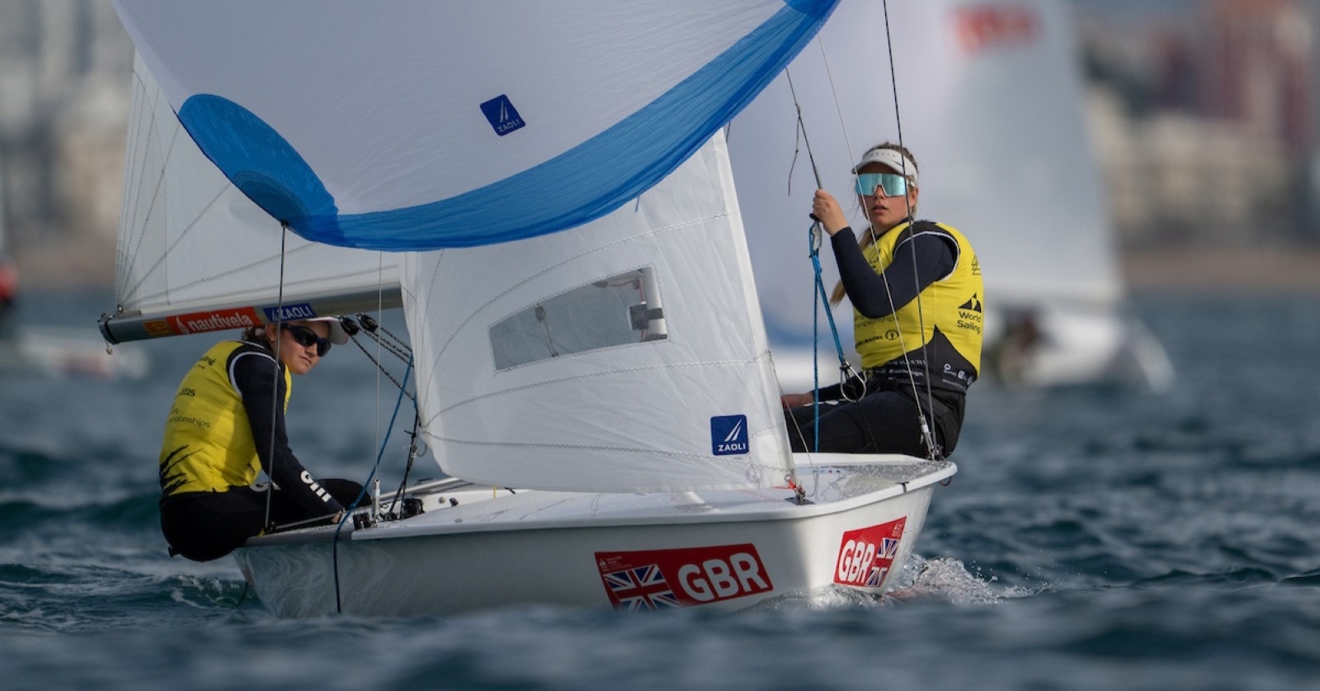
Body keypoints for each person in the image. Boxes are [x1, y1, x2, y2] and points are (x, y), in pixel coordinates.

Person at [781, 143, 984, 458]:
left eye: (891, 184)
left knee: (797, 447)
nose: (879, 194)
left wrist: (838, 229)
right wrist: (810, 396)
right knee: (771, 433)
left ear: (913, 195)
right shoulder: (874, 253)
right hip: (884, 401)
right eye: (867, 184)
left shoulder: (930, 242)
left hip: (926, 412)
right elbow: (881, 377)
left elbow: (877, 302)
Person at [158, 317, 364, 561]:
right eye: (305, 338)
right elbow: (277, 459)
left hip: (181, 516)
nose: (313, 350)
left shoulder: (231, 353)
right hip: (207, 513)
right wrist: (336, 512)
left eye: (323, 346)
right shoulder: (260, 365)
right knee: (352, 496)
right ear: (273, 331)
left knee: (321, 498)